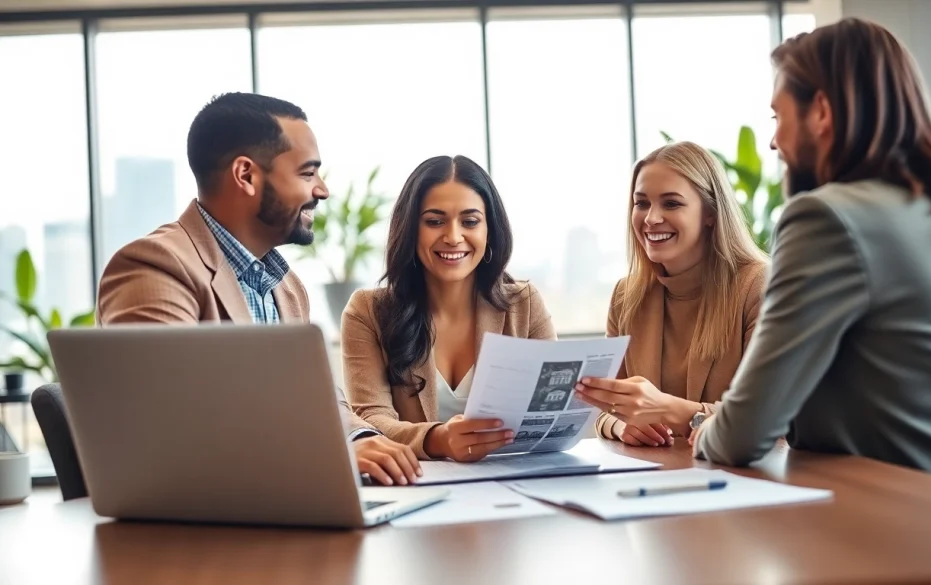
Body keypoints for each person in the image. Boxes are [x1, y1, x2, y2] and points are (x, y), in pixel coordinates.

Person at [685, 18, 931, 487]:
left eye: (778, 117)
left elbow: (743, 433)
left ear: (820, 112)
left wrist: (702, 430)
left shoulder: (826, 218)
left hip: (900, 522)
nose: (774, 141)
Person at [96, 92, 421, 487]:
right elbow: (167, 425)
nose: (322, 190)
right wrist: (329, 455)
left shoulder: (285, 286)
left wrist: (363, 440)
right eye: (307, 173)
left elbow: (319, 398)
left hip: (280, 507)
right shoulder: (156, 266)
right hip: (193, 530)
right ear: (246, 175)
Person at [342, 155, 555, 462]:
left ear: (489, 231)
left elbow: (551, 410)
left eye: (470, 222)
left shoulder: (524, 303)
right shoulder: (368, 311)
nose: (453, 237)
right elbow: (371, 421)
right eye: (434, 221)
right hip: (419, 487)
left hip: (516, 482)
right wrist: (438, 439)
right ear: (411, 229)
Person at [574, 141, 768, 447]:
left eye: (671, 203)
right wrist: (621, 426)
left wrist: (668, 409)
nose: (651, 218)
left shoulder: (758, 286)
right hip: (656, 477)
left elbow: (769, 415)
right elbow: (607, 408)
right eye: (641, 203)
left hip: (743, 477)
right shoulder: (627, 296)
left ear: (711, 213)